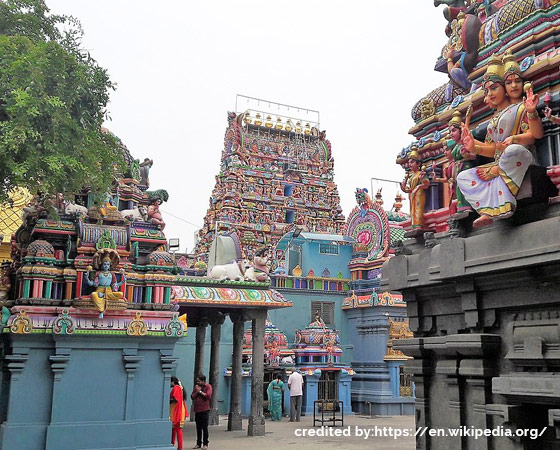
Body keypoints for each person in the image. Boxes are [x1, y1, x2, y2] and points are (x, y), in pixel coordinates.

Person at [458, 53, 534, 228]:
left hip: (518, 159)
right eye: (486, 91)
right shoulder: (493, 120)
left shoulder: (521, 107)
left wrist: (529, 115)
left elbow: (534, 135)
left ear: (504, 88)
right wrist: (474, 146)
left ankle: (493, 207)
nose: (489, 95)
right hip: (501, 163)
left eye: (493, 88)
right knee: (463, 177)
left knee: (513, 150)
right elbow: (493, 149)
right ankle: (493, 210)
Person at [400, 147, 430, 229]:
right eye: (409, 163)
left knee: (418, 210)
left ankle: (419, 225)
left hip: (419, 194)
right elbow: (410, 189)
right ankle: (414, 225)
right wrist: (403, 188)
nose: (410, 164)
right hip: (413, 195)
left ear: (418, 164)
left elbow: (427, 184)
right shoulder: (411, 177)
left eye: (412, 162)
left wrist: (421, 181)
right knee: (412, 211)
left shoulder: (421, 173)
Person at [191, 375, 212, 450]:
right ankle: (198, 443)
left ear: (203, 381)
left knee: (204, 428)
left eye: (199, 381)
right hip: (197, 410)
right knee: (198, 428)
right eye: (197, 381)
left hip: (205, 410)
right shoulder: (196, 387)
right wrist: (197, 392)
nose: (197, 382)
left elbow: (208, 396)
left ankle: (205, 444)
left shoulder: (208, 387)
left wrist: (200, 391)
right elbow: (192, 396)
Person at [170, 376, 188, 450]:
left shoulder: (176, 387)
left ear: (173, 381)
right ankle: (172, 444)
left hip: (177, 411)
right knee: (174, 428)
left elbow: (175, 399)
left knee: (177, 428)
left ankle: (179, 447)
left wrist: (167, 400)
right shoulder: (179, 387)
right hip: (177, 410)